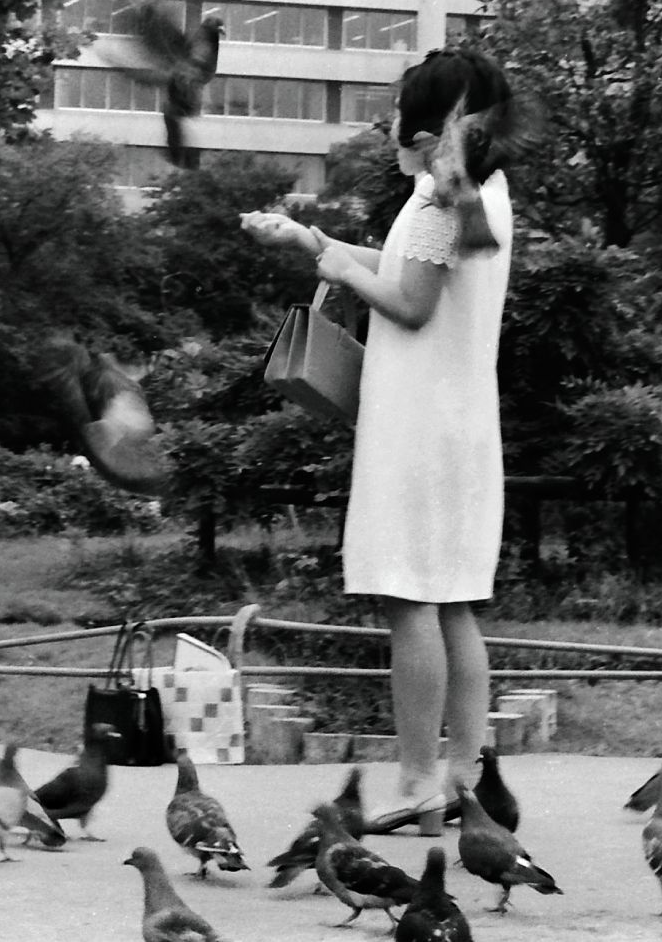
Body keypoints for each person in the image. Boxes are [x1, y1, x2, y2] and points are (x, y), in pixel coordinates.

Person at [241, 48, 516, 833]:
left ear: (430, 124)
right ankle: (462, 780)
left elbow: (410, 303)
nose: (390, 122)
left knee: (409, 598)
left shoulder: (436, 198)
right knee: (453, 602)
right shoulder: (483, 192)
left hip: (416, 427)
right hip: (461, 424)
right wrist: (313, 243)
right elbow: (404, 268)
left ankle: (418, 778)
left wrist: (341, 270)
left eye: (399, 109)